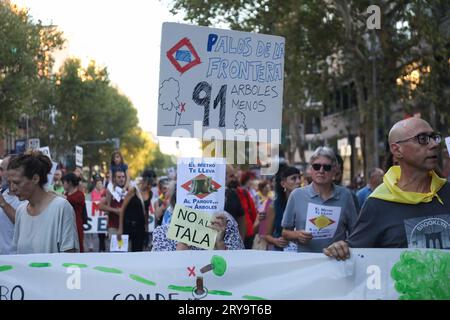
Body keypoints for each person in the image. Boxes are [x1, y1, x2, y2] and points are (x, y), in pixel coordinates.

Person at [324, 118, 450, 260]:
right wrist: (340, 248)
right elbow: (356, 254)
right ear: (397, 150)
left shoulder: (447, 191)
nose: (433, 144)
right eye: (422, 138)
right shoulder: (378, 203)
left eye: (434, 137)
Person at [281, 147, 358, 253]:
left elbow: (355, 232)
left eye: (326, 167)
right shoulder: (297, 195)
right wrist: (297, 235)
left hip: (337, 262)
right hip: (306, 263)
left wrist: (344, 245)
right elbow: (285, 232)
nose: (321, 171)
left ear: (334, 170)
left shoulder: (346, 195)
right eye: (317, 166)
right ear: (311, 170)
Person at [9, 151, 79, 254]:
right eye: (9, 182)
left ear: (35, 178)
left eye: (17, 182)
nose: (12, 188)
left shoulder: (61, 207)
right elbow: (16, 252)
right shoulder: (20, 211)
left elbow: (69, 257)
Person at [264, 166, 300, 251]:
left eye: (299, 177)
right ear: (283, 183)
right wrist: (275, 241)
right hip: (281, 252)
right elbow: (266, 235)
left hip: (302, 251)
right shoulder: (274, 205)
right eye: (293, 178)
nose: (298, 181)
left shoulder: (305, 202)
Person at [117, 170, 155, 251]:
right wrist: (120, 229)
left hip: (140, 227)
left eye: (151, 184)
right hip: (128, 225)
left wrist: (146, 228)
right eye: (149, 183)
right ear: (144, 180)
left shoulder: (150, 193)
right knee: (123, 251)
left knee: (137, 251)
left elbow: (146, 211)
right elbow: (122, 209)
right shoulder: (133, 190)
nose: (150, 186)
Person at [0, 156, 28, 254]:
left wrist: (3, 203)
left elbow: (24, 223)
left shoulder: (26, 196)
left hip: (15, 258)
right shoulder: (3, 193)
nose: (1, 173)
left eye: (2, 169)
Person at [99, 169, 127, 251]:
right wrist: (115, 210)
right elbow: (100, 206)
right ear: (114, 179)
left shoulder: (129, 190)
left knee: (126, 252)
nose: (121, 179)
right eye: (119, 177)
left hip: (126, 226)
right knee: (114, 251)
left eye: (123, 177)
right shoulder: (110, 190)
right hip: (113, 226)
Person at [63, 172, 86, 253]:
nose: (63, 184)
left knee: (78, 244)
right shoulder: (65, 194)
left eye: (64, 182)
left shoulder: (80, 195)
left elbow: (71, 200)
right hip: (66, 223)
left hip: (76, 224)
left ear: (70, 183)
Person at [224, 165, 246, 240]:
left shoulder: (233, 194)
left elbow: (241, 216)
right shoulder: (208, 196)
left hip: (231, 243)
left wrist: (241, 239)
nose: (234, 179)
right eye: (231, 176)